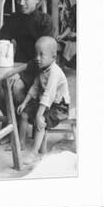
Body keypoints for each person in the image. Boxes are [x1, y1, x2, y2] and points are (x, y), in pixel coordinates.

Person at [0, 0, 54, 145]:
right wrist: (5, 52)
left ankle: (17, 127)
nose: (21, 3)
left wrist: (20, 71)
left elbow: (45, 57)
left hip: (39, 71)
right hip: (17, 67)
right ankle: (12, 123)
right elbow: (1, 40)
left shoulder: (45, 21)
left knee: (16, 87)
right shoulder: (15, 19)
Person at [16, 36, 71, 164]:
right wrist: (24, 103)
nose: (37, 58)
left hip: (58, 107)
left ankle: (34, 152)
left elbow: (48, 95)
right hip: (46, 103)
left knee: (41, 120)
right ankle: (21, 143)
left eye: (42, 55)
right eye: (36, 54)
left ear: (53, 56)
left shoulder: (55, 73)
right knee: (24, 114)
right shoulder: (43, 69)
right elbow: (35, 87)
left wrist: (39, 114)